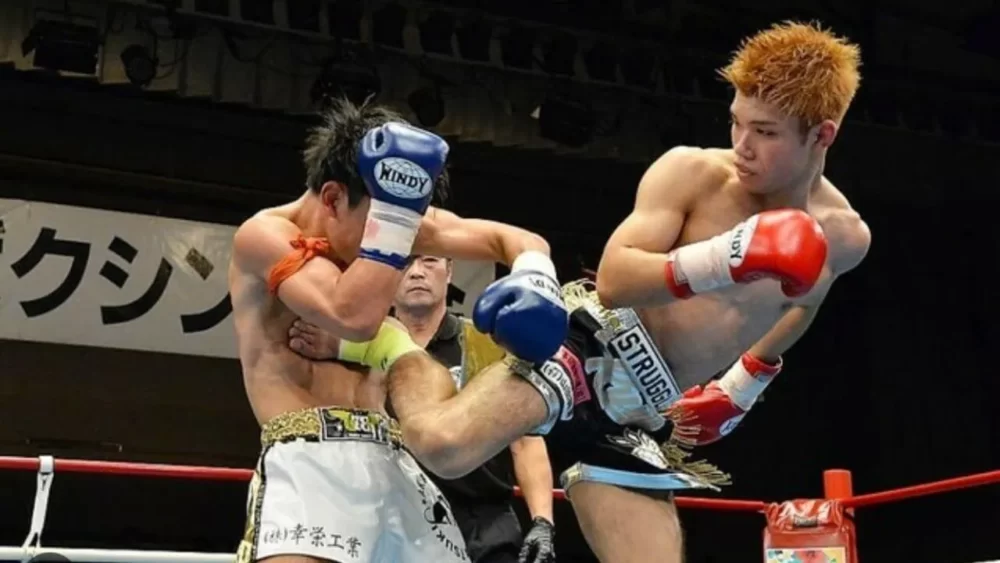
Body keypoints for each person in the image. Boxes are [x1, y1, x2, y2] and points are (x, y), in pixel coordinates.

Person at [331, 20, 873, 563]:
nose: (742, 146)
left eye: (767, 132)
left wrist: (745, 380)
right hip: (591, 347)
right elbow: (615, 280)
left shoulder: (844, 237)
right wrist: (727, 259)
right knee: (445, 449)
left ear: (821, 135)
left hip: (642, 412)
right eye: (736, 123)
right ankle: (399, 349)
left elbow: (804, 299)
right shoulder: (694, 173)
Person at [229, 98, 569, 563]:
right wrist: (396, 220)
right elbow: (350, 315)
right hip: (312, 462)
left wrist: (535, 275)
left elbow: (516, 240)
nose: (400, 242)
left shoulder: (392, 221)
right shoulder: (264, 236)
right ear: (332, 199)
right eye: (387, 224)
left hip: (396, 461)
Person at [289, 255, 557, 563]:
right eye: (405, 263)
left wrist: (542, 522)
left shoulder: (485, 344)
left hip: (482, 524)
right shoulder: (349, 347)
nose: (417, 272)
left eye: (429, 261)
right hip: (389, 520)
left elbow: (525, 441)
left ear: (449, 271)